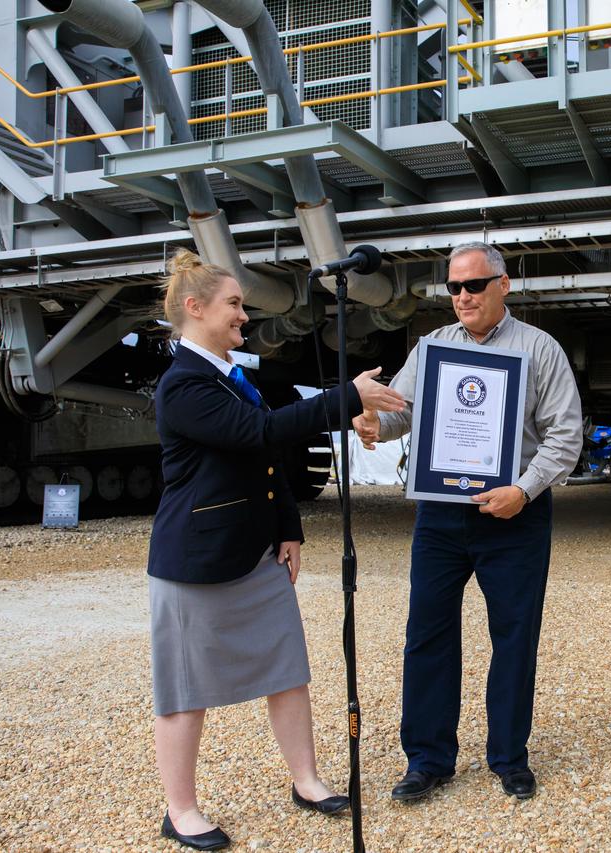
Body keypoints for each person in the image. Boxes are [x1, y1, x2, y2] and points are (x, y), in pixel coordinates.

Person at [147, 250, 406, 851]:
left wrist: (289, 528)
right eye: (234, 304)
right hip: (198, 562)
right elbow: (257, 434)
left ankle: (307, 781)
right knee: (184, 690)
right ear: (196, 308)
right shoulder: (184, 383)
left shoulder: (229, 375)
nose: (244, 314)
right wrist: (347, 396)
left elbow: (265, 462)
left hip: (257, 552)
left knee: (288, 672)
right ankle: (179, 810)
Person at [352, 241, 583, 803]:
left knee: (514, 637)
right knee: (427, 634)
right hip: (441, 515)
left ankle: (508, 757)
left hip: (514, 514)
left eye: (474, 285)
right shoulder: (432, 348)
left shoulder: (539, 349)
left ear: (503, 285)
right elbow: (400, 413)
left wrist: (524, 491)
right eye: (453, 287)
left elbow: (566, 435)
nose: (462, 297)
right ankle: (428, 760)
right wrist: (372, 425)